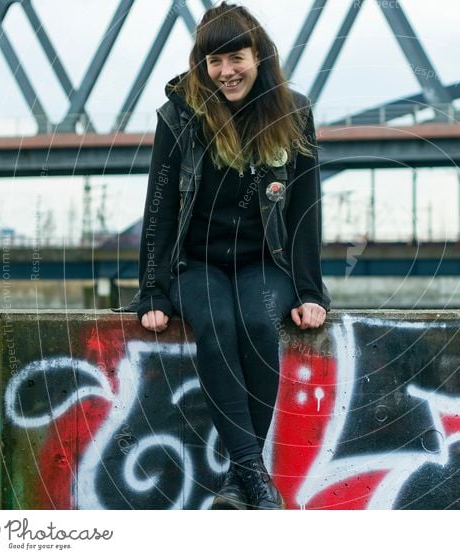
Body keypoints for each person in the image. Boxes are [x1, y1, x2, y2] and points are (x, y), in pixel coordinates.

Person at [134, 1, 330, 510]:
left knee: (261, 324)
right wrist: (152, 289)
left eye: (236, 58)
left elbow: (306, 207)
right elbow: (159, 205)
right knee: (216, 322)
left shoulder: (294, 112)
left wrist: (311, 290)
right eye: (214, 62)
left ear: (259, 56)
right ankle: (255, 480)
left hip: (266, 260)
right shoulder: (180, 112)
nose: (226, 72)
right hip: (196, 262)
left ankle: (238, 482)